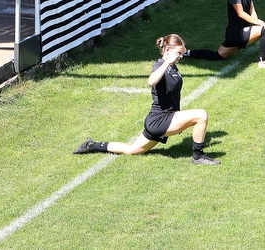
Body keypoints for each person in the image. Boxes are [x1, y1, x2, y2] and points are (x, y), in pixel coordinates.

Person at [72, 34, 220, 165]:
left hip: (161, 119)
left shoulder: (173, 67)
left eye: (181, 53)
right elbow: (151, 82)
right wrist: (167, 62)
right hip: (160, 120)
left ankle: (93, 145)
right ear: (167, 51)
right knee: (201, 115)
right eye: (178, 53)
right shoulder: (160, 65)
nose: (180, 56)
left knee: (132, 150)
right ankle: (198, 156)